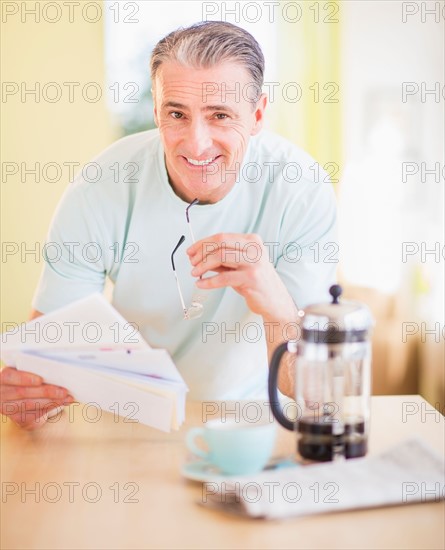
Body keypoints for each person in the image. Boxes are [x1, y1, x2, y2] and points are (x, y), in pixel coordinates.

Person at [0, 21, 337, 429]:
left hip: (249, 428)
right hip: (128, 425)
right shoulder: (100, 186)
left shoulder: (302, 190)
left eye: (220, 115)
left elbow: (311, 390)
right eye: (177, 113)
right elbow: (46, 365)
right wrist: (31, 398)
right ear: (157, 112)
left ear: (258, 114)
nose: (196, 144)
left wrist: (274, 300)